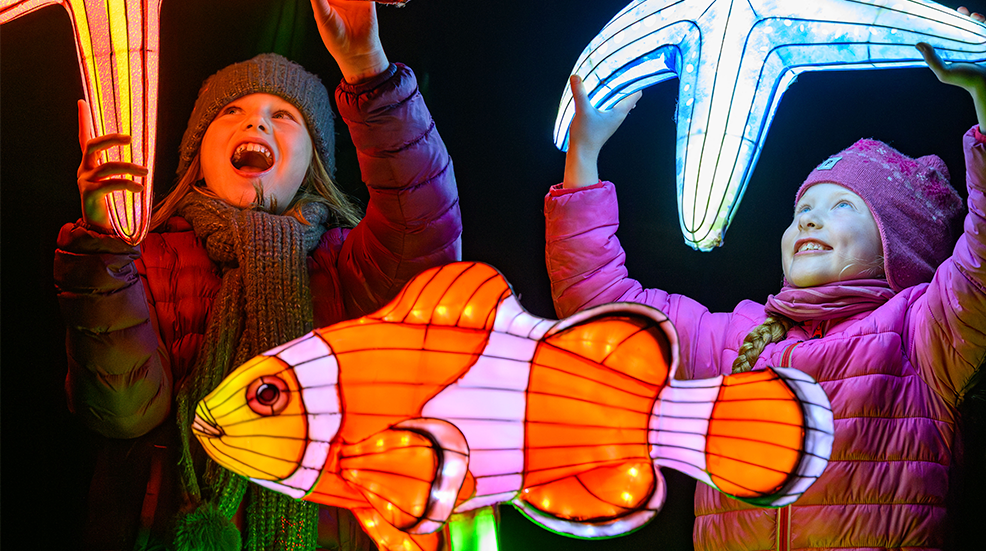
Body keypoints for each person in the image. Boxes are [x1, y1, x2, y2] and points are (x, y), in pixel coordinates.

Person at [543, 7, 986, 551]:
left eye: (843, 204)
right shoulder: (736, 344)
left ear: (901, 245)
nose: (809, 218)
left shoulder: (923, 336)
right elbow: (607, 315)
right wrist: (584, 155)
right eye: (803, 207)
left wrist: (984, 103)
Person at [53, 1, 460, 549]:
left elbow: (425, 226)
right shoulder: (148, 257)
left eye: (284, 115)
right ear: (197, 157)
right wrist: (104, 247)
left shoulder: (347, 264)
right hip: (160, 527)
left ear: (313, 165)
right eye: (231, 111)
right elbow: (124, 411)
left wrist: (369, 70)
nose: (256, 121)